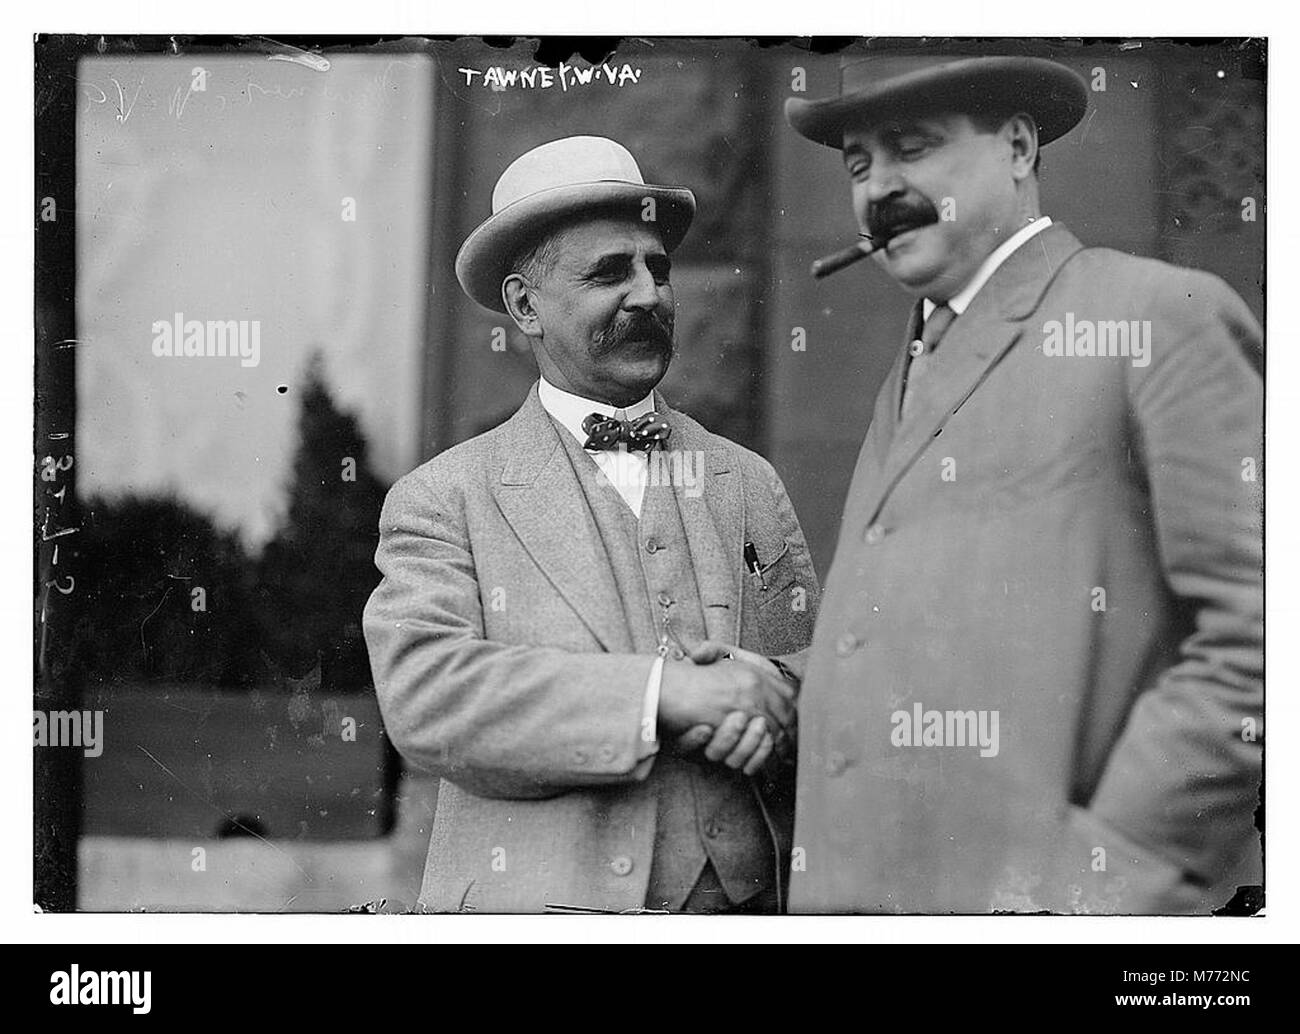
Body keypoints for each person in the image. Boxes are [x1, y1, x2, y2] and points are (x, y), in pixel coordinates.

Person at [781, 51, 1263, 913]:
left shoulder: (1156, 317)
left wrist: (1105, 877)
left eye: (914, 148)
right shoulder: (915, 363)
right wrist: (779, 684)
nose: (879, 189)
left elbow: (1261, 641)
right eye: (859, 165)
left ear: (1015, 147)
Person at [363, 136, 819, 913]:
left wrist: (771, 694)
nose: (649, 295)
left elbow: (821, 668)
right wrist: (662, 695)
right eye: (610, 272)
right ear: (524, 307)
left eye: (659, 269)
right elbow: (428, 697)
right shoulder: (445, 497)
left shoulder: (746, 480)